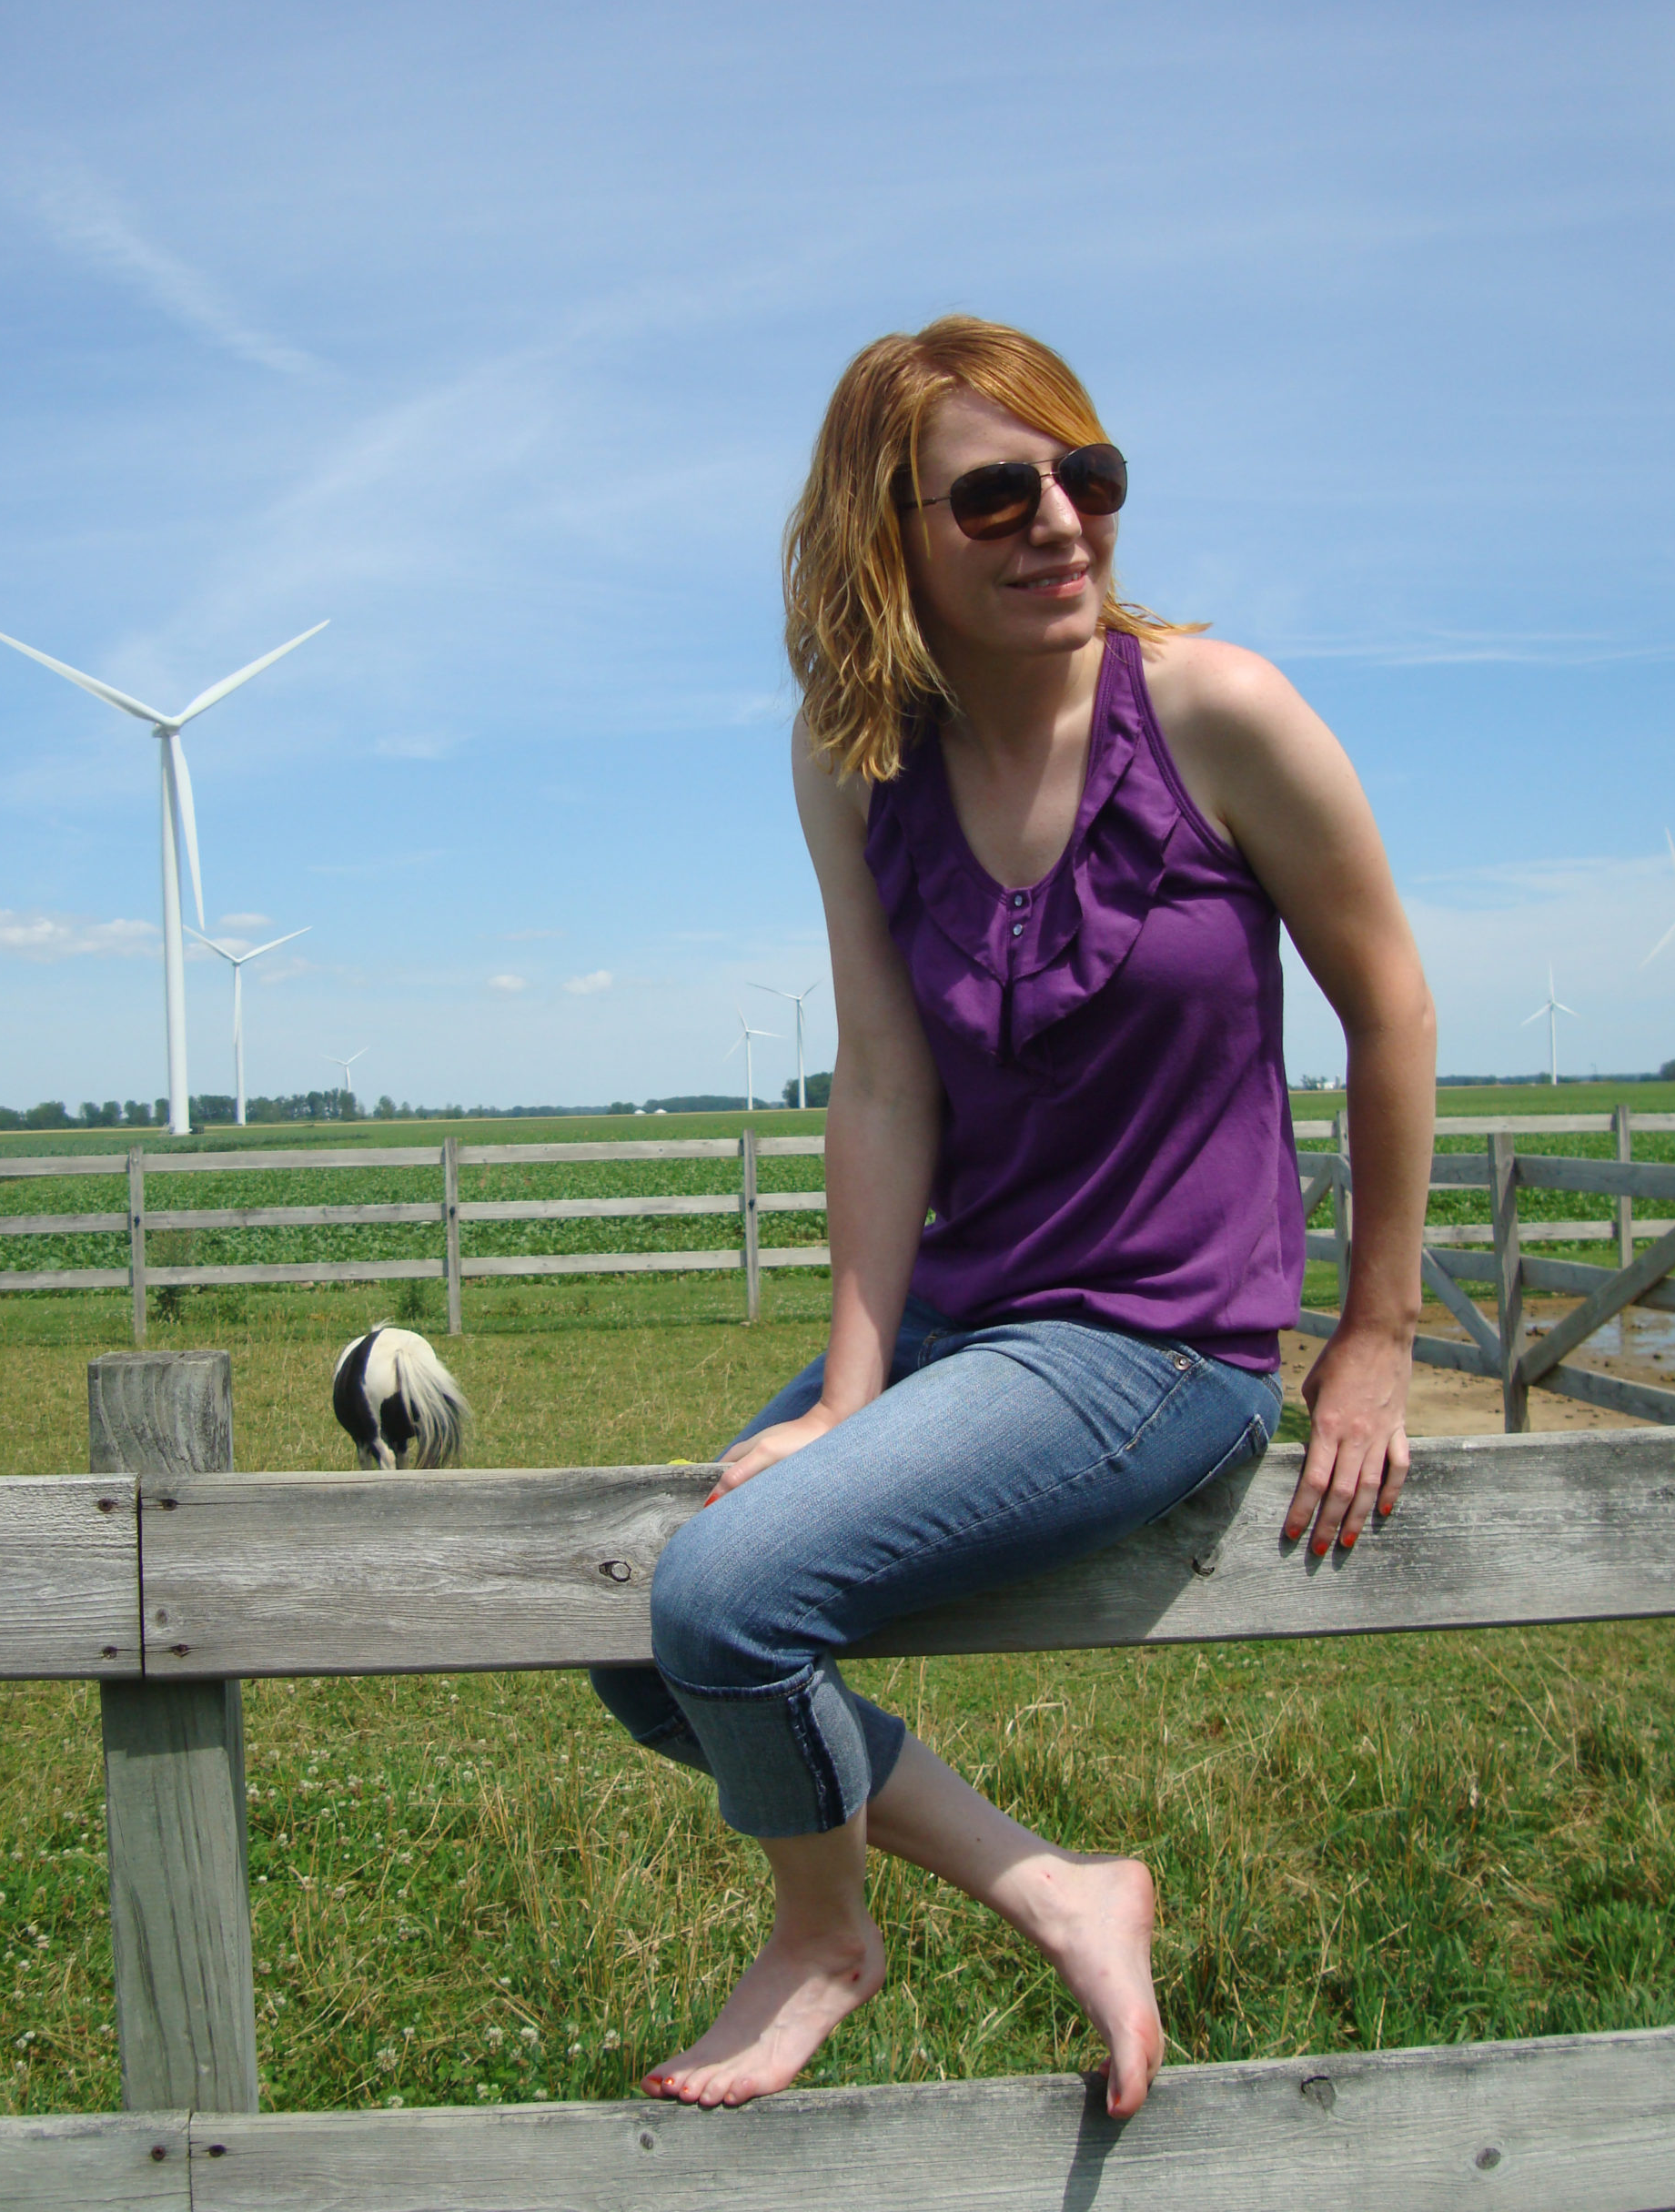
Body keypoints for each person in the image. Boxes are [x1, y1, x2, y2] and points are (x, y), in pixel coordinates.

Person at [590, 316, 1435, 2118]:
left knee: (731, 1593)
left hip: (1161, 1341)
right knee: (635, 1628)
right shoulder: (853, 760)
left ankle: (824, 1931)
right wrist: (844, 1384)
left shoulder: (1220, 708)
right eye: (996, 493)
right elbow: (884, 1078)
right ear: (882, 533)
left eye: (1087, 476)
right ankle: (1058, 1884)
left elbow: (1393, 1006)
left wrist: (1373, 1334)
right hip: (977, 1328)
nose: (1060, 520)